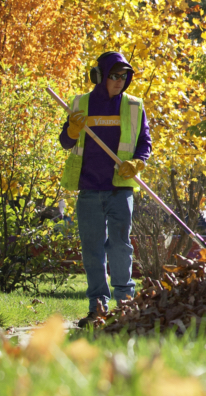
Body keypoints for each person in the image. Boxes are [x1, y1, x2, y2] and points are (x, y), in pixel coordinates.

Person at [59, 51, 151, 327]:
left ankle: (125, 306)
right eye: (113, 75)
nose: (119, 81)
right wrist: (73, 131)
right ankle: (97, 307)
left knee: (121, 246)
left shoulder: (134, 106)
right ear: (99, 76)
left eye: (124, 76)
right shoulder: (80, 104)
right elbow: (65, 142)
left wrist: (137, 162)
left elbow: (144, 143)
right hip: (88, 190)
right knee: (92, 250)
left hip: (119, 189)